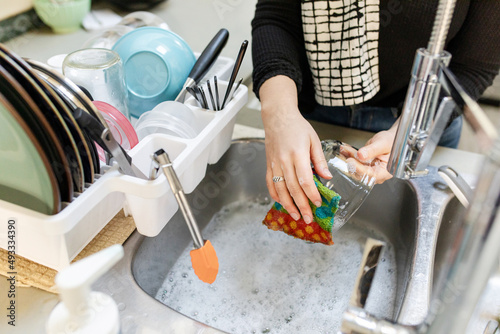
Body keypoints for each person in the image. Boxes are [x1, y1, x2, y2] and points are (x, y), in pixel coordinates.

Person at [251, 0, 500, 224]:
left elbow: (473, 67)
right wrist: (279, 115)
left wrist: (410, 132)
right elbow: (276, 17)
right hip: (305, 116)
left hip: (421, 119)